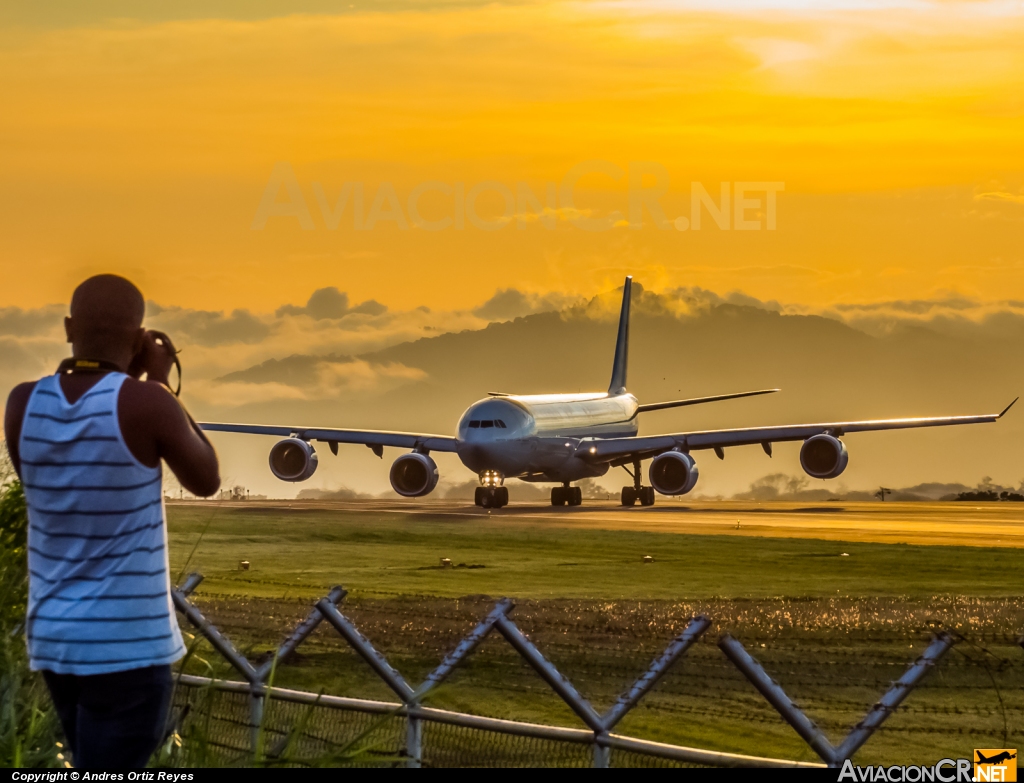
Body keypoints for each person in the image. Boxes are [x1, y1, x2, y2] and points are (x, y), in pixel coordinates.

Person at [3, 274, 220, 768]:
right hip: (127, 644)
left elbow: (46, 483)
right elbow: (206, 478)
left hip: (56, 638)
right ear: (140, 338)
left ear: (67, 328)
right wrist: (160, 383)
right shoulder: (147, 403)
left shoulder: (21, 404)